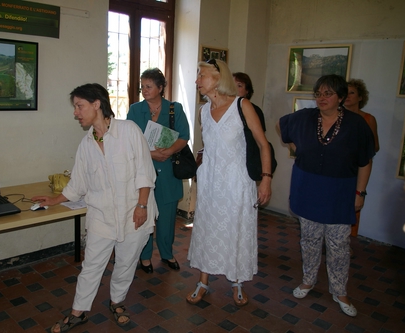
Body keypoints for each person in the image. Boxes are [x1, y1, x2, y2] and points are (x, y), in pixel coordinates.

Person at [32, 83, 158, 332]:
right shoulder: (86, 145)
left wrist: (142, 206)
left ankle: (117, 302)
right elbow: (77, 185)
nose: (76, 112)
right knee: (91, 265)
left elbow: (145, 172)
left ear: (97, 104)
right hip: (102, 214)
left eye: (79, 106)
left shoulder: (128, 131)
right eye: (76, 107)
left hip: (134, 211)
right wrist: (54, 200)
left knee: (126, 261)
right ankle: (78, 313)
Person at [278, 74, 375, 317]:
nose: (321, 98)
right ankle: (308, 280)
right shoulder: (305, 117)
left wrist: (360, 192)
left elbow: (365, 162)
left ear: (341, 97)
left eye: (328, 93)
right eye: (319, 93)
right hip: (307, 187)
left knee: (338, 244)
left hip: (340, 191)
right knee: (309, 239)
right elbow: (282, 125)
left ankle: (339, 290)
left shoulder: (356, 124)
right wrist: (295, 147)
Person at [186, 59, 272, 307]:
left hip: (237, 183)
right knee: (206, 229)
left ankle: (237, 282)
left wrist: (265, 180)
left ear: (218, 77)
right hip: (211, 181)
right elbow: (210, 148)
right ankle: (203, 281)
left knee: (236, 230)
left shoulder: (242, 106)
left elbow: (263, 144)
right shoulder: (203, 111)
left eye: (201, 75)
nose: (197, 81)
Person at [126, 68, 190, 273]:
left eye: (148, 86)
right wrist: (153, 155)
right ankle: (144, 257)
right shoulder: (135, 110)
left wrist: (169, 151)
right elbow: (129, 141)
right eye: (142, 86)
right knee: (144, 214)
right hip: (143, 170)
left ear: (160, 88)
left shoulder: (175, 109)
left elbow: (184, 136)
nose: (144, 90)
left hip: (168, 171)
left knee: (167, 216)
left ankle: (167, 253)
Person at [344, 79, 379, 238]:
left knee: (354, 204)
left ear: (360, 97)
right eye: (345, 92)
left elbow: (374, 146)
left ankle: (348, 240)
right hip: (339, 168)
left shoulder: (368, 119)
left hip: (358, 168)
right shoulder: (338, 116)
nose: (348, 96)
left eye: (352, 93)